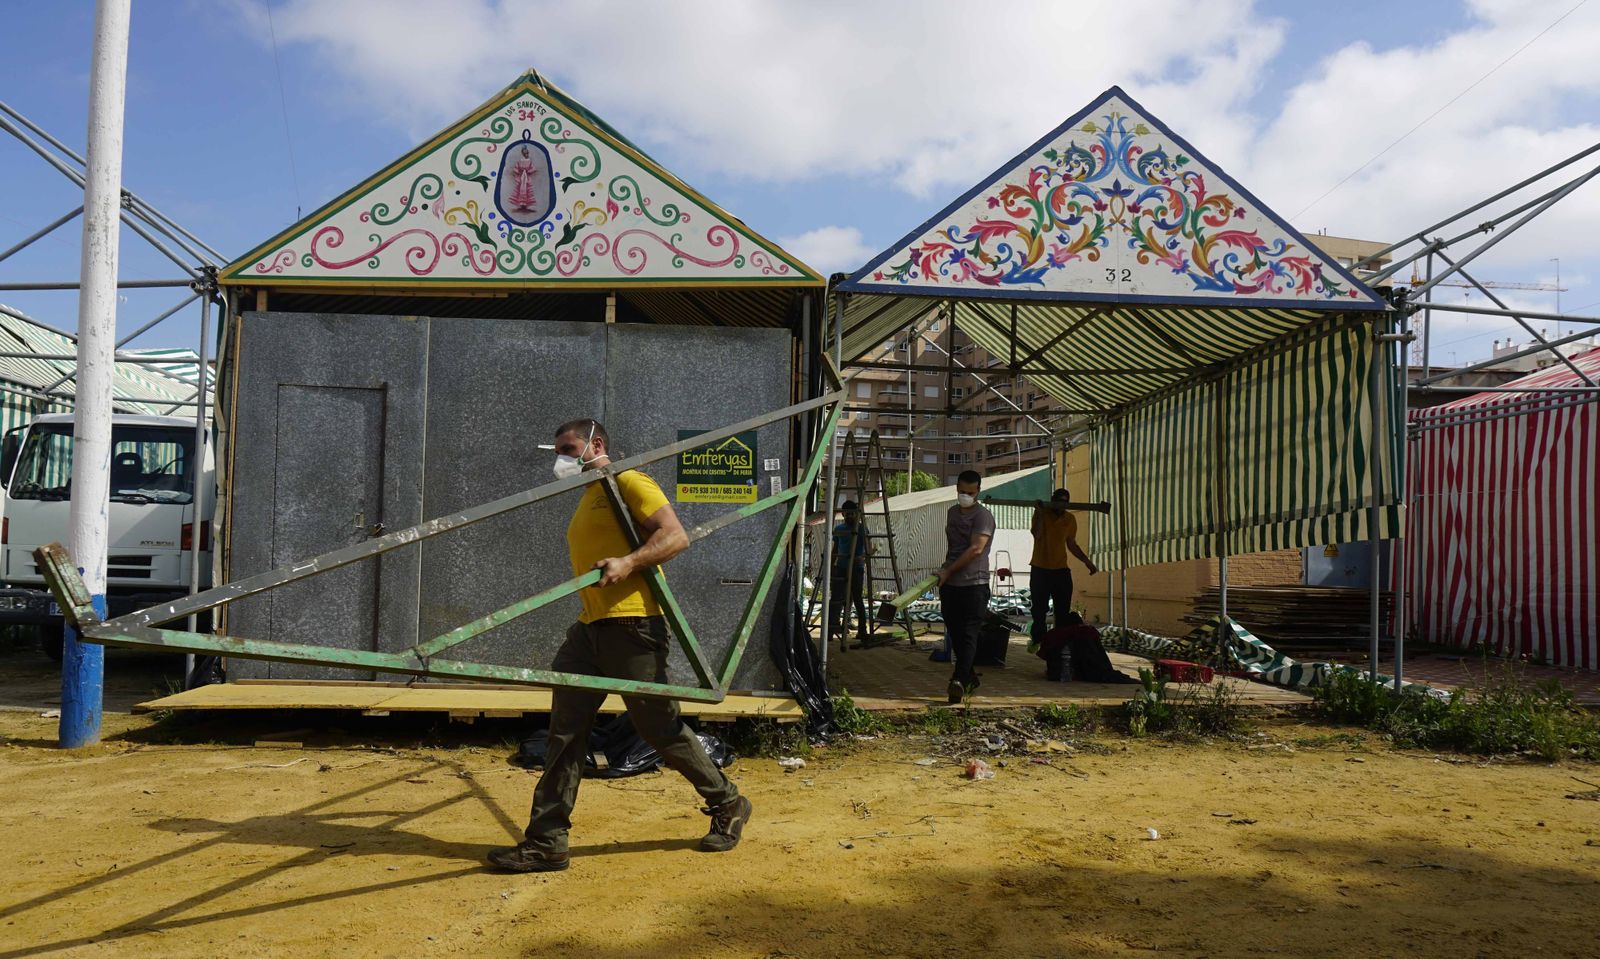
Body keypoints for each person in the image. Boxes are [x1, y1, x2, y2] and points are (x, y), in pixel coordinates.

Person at [489, 418, 751, 874]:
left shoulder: (628, 480)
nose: (563, 459)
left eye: (570, 448)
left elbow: (675, 535)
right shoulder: (591, 494)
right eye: (559, 451)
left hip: (633, 627)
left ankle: (727, 802)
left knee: (659, 728)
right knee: (565, 734)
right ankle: (547, 841)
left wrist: (629, 561)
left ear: (597, 443)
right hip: (589, 629)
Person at [937, 470, 995, 704]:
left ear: (978, 491)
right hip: (950, 584)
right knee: (956, 633)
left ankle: (958, 680)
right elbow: (953, 546)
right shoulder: (952, 513)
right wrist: (946, 572)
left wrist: (949, 570)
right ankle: (969, 675)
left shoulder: (983, 517)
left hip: (974, 585)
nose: (965, 496)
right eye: (962, 492)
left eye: (970, 493)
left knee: (969, 633)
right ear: (956, 489)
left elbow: (975, 549)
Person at [1028, 487, 1098, 652]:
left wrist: (1087, 561)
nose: (1061, 505)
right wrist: (1038, 513)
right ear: (1053, 501)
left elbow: (1071, 544)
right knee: (1039, 610)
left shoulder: (1070, 519)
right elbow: (1036, 535)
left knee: (1062, 609)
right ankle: (1038, 640)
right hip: (1040, 568)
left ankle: (1059, 644)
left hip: (1060, 570)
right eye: (1058, 501)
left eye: (1065, 502)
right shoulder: (1042, 514)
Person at [1036, 611, 1139, 684]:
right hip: (1090, 665)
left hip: (1061, 670)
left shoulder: (1055, 634)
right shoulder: (1087, 631)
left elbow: (1044, 652)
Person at [829, 500, 872, 644]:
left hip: (856, 569)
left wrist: (861, 558)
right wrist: (830, 566)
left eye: (852, 513)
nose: (849, 516)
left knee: (857, 598)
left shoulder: (861, 529)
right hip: (840, 568)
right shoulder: (839, 529)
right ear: (843, 514)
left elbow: (869, 550)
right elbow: (835, 549)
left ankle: (862, 630)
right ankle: (832, 628)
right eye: (847, 513)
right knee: (836, 598)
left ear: (856, 514)